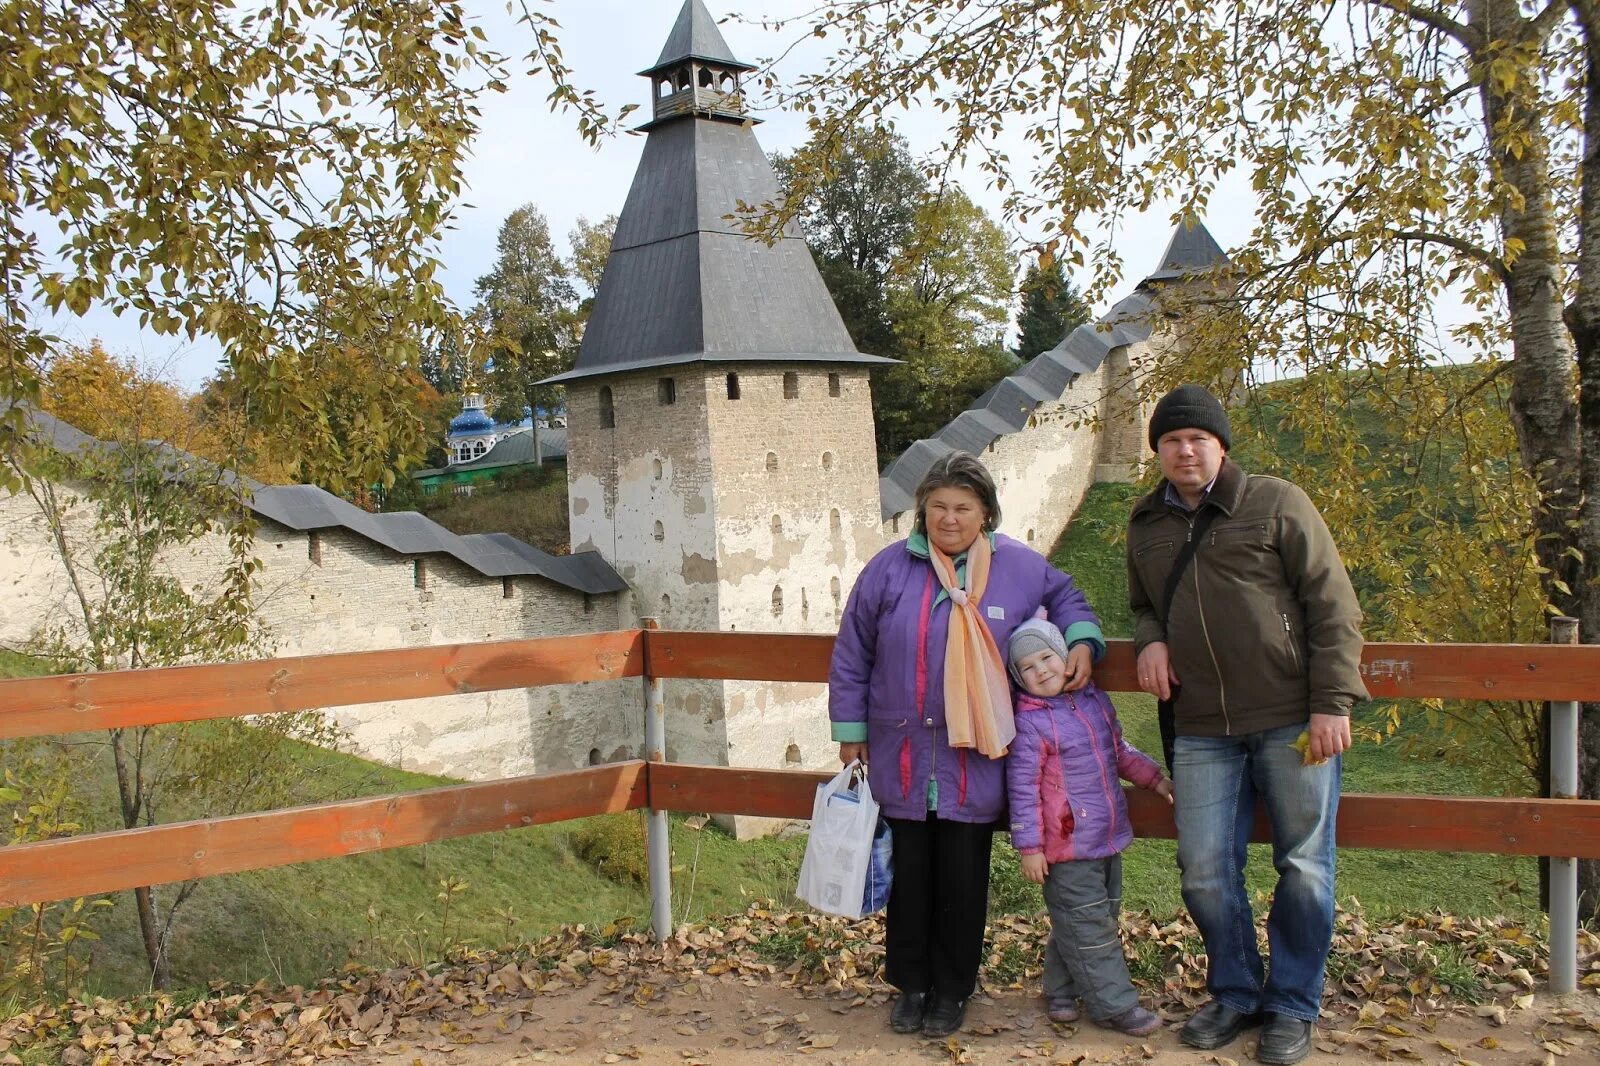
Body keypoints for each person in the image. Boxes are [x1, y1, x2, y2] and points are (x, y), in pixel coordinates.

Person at [1127, 385, 1367, 1066]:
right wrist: (1150, 638)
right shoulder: (1146, 521)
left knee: (1305, 868)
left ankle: (1292, 1004)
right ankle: (1236, 992)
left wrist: (1332, 703)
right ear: (1159, 453)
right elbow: (1144, 603)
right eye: (1171, 441)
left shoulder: (1275, 501)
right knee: (1204, 868)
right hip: (1201, 725)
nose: (1185, 450)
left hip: (1292, 717)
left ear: (1221, 445)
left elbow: (1333, 604)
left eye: (1197, 438)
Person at [829, 451, 1106, 1039]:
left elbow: (1072, 599)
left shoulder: (1018, 568)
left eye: (962, 508)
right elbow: (853, 654)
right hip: (902, 753)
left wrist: (1080, 642)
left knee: (962, 879)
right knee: (911, 878)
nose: (948, 519)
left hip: (975, 762)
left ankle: (953, 990)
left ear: (985, 513)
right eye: (937, 508)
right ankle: (911, 987)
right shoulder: (888, 570)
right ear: (921, 512)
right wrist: (850, 731)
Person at [1004, 612, 1173, 1037]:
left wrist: (1155, 778)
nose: (1040, 670)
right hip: (1065, 846)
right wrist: (1029, 847)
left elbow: (1120, 751)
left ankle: (1061, 991)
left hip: (1105, 835)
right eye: (1027, 667)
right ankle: (1114, 1006)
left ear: (1065, 656)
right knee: (1090, 925)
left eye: (1046, 657)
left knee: (1086, 919)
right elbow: (1022, 789)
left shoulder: (1094, 702)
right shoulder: (1029, 724)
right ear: (1018, 678)